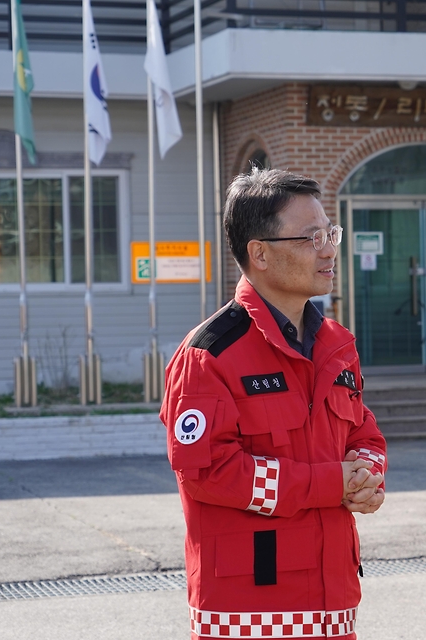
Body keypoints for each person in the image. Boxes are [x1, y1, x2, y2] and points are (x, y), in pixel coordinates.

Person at [161, 168, 386, 640]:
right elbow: (209, 473)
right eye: (310, 238)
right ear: (259, 253)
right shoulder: (209, 354)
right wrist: (331, 483)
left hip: (335, 608)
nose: (328, 250)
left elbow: (363, 432)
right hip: (249, 614)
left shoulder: (337, 344)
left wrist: (367, 476)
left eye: (330, 233)